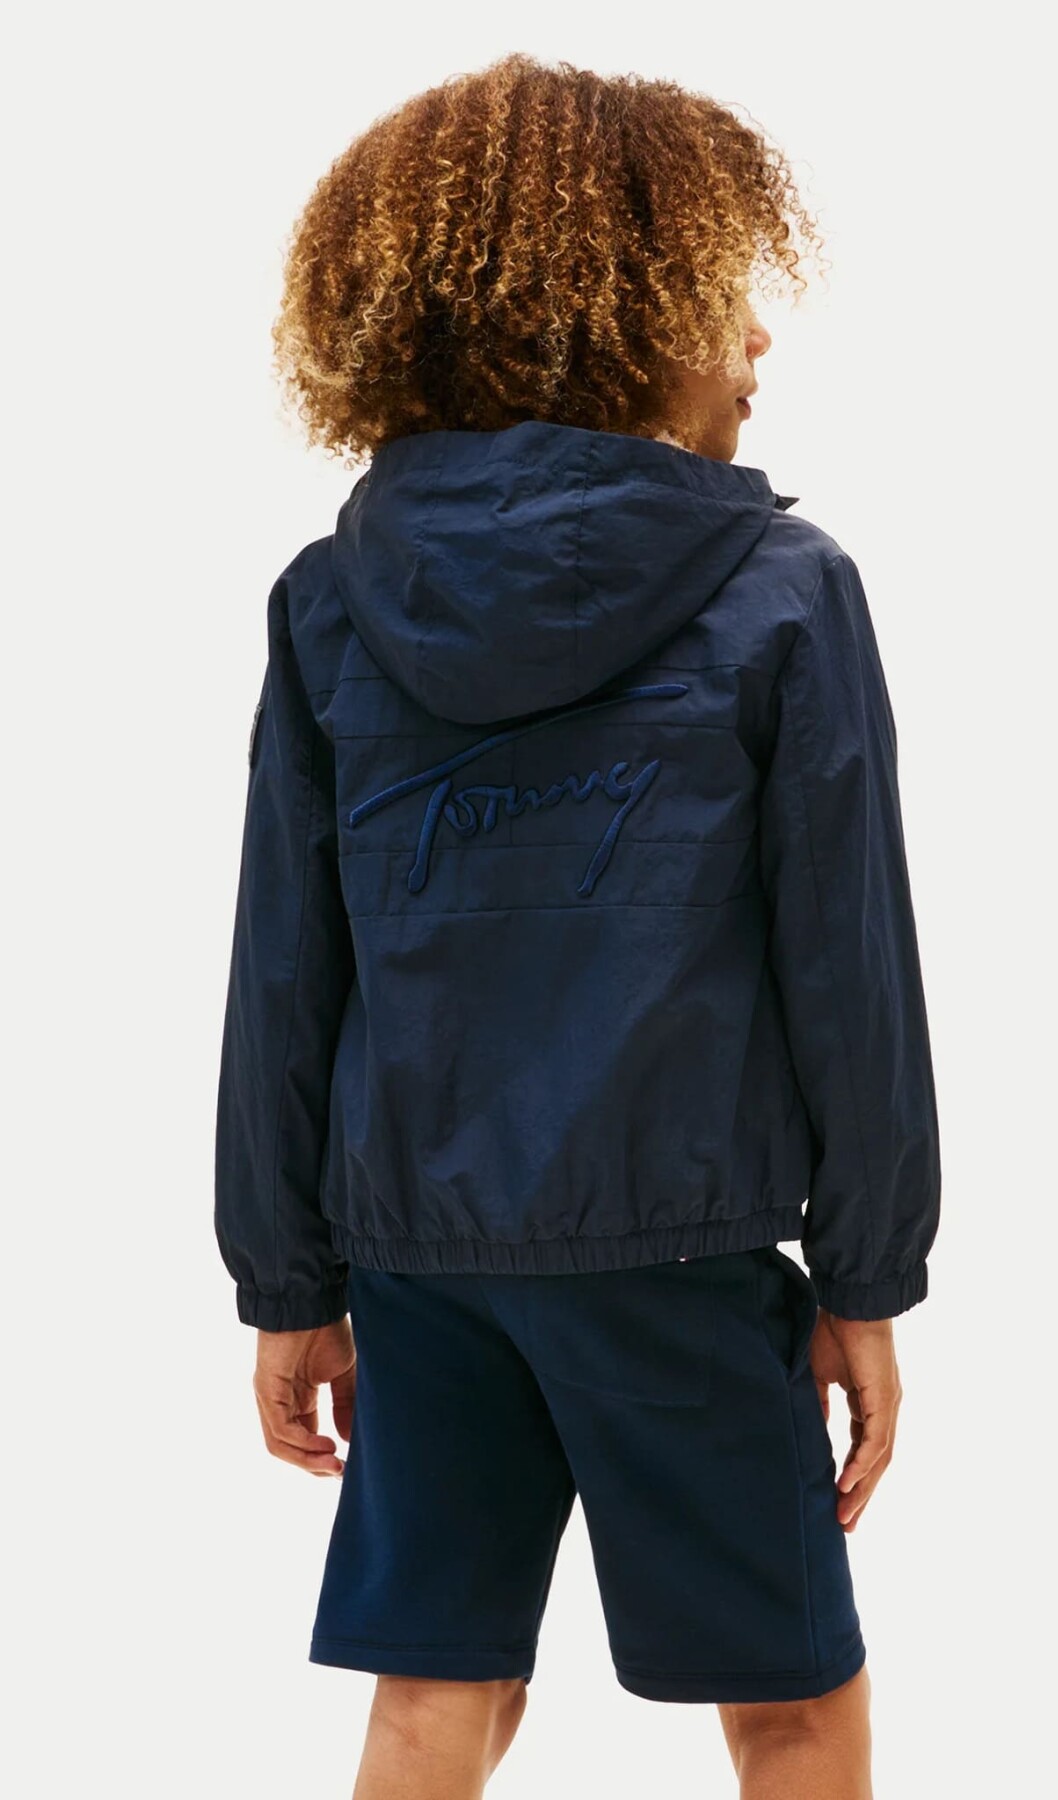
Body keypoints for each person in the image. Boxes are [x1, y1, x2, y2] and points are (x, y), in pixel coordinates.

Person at [214, 50, 941, 1800]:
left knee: (433, 1696)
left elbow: (282, 974)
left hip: (418, 1257)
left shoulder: (335, 598)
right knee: (791, 1701)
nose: (758, 337)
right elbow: (849, 968)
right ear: (604, 317)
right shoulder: (781, 591)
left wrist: (287, 1279)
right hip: (679, 1256)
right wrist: (866, 1277)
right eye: (720, 290)